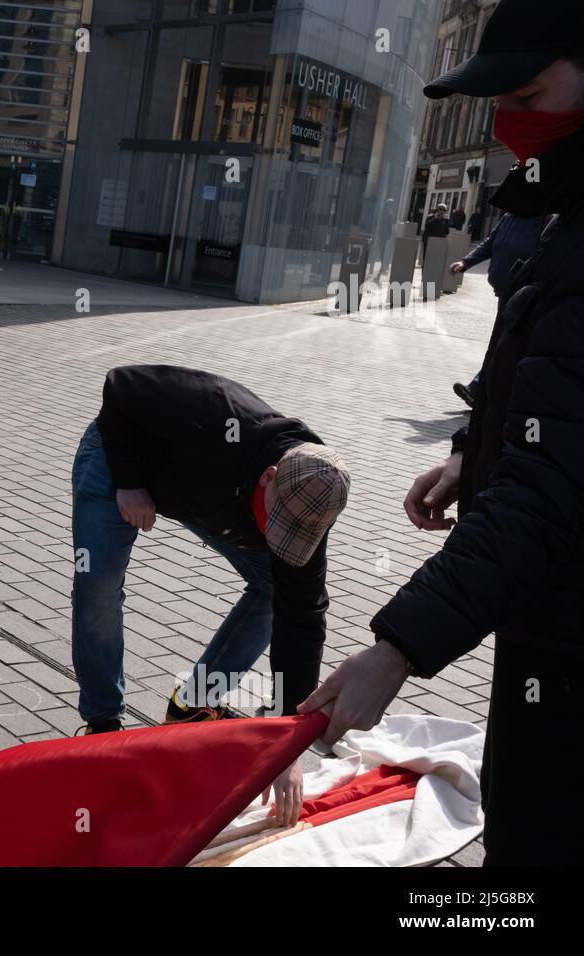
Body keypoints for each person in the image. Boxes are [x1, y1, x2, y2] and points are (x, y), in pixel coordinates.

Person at [300, 0, 584, 866]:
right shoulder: (554, 209)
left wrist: (399, 647)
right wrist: (471, 450)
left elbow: (549, 486)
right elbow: (533, 378)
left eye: (529, 92)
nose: (507, 122)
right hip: (542, 613)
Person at [70, 366, 351, 826]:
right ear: (269, 477)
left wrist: (287, 743)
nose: (275, 540)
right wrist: (130, 478)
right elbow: (121, 384)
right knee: (97, 587)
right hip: (119, 460)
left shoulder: (311, 498)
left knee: (278, 587)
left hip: (204, 498)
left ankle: (196, 701)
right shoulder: (216, 413)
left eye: (288, 536)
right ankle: (101, 726)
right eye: (273, 523)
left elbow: (301, 620)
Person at [448, 210, 545, 407]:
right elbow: (489, 245)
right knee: (500, 344)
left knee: (504, 344)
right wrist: (465, 262)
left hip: (524, 294)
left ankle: (481, 390)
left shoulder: (545, 219)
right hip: (505, 291)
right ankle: (480, 391)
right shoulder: (509, 218)